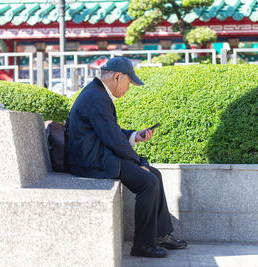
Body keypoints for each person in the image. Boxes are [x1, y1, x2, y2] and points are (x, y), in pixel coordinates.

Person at [67, 57, 187, 258]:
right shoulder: (96, 97)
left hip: (97, 156)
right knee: (148, 181)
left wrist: (134, 136)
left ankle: (159, 235)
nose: (128, 88)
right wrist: (138, 162)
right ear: (117, 77)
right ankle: (143, 245)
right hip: (91, 162)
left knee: (153, 175)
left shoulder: (96, 93)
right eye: (129, 83)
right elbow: (113, 139)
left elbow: (111, 131)